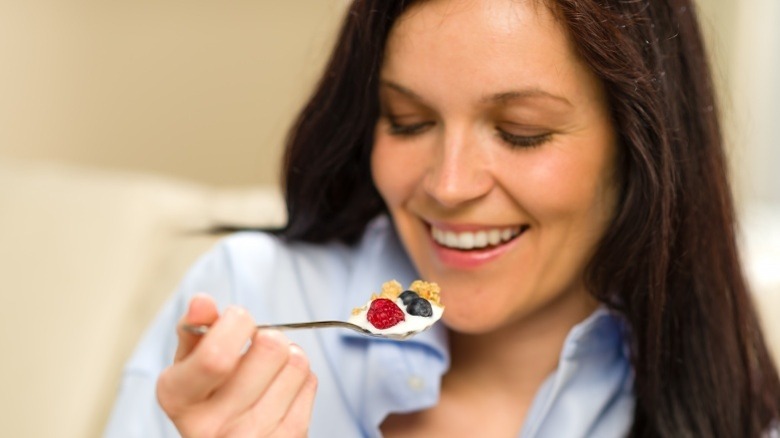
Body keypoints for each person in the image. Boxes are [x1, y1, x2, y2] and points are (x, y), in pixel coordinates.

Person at [105, 0, 780, 436]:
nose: (449, 186)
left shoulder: (723, 412)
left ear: (641, 149)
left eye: (521, 132)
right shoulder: (248, 299)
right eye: (410, 121)